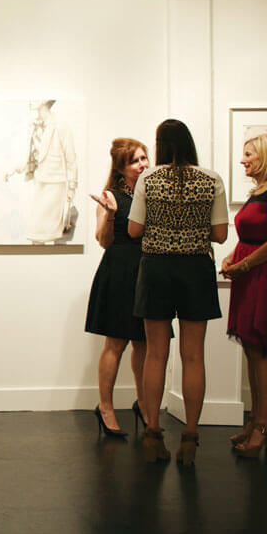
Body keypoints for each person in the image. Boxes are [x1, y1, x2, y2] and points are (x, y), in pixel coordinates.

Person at [128, 119, 228, 465]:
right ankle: (190, 436)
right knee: (194, 356)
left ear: (160, 145)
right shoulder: (211, 179)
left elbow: (134, 228)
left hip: (156, 268)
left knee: (156, 354)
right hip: (195, 270)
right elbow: (220, 234)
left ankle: (154, 433)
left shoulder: (148, 179)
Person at [220, 133, 267, 458]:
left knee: (262, 349)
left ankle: (262, 426)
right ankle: (258, 420)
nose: (243, 160)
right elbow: (248, 235)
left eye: (249, 154)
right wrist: (231, 257)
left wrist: (243, 264)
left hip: (262, 275)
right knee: (251, 347)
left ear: (266, 156)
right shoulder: (256, 192)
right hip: (248, 274)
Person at [84, 138, 150, 437]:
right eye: (136, 160)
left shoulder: (151, 193)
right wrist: (110, 214)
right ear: (122, 167)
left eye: (145, 158)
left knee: (146, 343)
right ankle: (106, 407)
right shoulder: (111, 195)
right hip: (119, 271)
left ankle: (146, 403)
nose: (144, 164)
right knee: (116, 343)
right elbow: (103, 240)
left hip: (147, 272)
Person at [5, 100, 78, 244]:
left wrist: (72, 186)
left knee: (45, 231)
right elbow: (31, 155)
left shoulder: (60, 125)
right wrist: (13, 169)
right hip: (39, 181)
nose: (31, 100)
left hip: (55, 183)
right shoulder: (34, 125)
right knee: (36, 231)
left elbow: (71, 159)